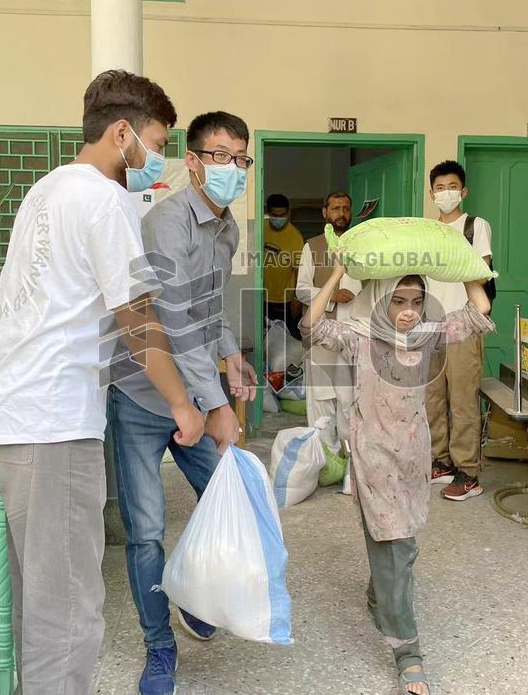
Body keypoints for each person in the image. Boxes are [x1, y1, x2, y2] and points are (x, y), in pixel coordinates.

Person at [0, 70, 206, 695]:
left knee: (39, 602)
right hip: (54, 422)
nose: (158, 160)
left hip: (10, 416)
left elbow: (5, 305)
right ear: (122, 133)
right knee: (70, 615)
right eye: (156, 144)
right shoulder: (107, 199)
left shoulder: (43, 191)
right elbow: (138, 319)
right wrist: (182, 404)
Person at [108, 111, 259, 695]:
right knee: (145, 530)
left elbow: (209, 309)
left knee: (228, 492)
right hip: (143, 397)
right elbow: (170, 318)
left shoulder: (228, 230)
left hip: (193, 390)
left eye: (241, 158)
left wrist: (230, 355)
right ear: (193, 162)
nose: (233, 168)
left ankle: (196, 595)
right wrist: (214, 402)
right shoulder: (167, 223)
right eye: (220, 156)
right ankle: (159, 645)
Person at [302, 256, 494, 695]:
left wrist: (462, 264)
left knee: (397, 546)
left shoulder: (426, 337)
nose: (408, 310)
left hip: (411, 459)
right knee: (396, 548)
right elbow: (310, 327)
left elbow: (478, 312)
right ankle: (408, 654)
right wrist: (335, 275)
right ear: (381, 299)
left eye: (417, 301)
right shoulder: (359, 338)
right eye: (399, 300)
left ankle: (379, 596)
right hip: (372, 459)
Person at [424, 160, 494, 501]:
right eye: (439, 188)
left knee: (463, 399)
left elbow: (482, 272)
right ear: (431, 193)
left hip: (464, 321)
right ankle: (442, 462)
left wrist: (452, 260)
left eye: (451, 187)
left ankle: (468, 472)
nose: (445, 193)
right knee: (432, 398)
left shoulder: (475, 226)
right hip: (430, 323)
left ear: (462, 191)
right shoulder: (426, 230)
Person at [295, 191, 362, 448]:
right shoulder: (312, 246)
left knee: (351, 398)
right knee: (321, 397)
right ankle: (324, 457)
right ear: (325, 212)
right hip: (321, 334)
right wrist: (332, 295)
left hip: (354, 334)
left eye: (345, 208)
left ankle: (350, 464)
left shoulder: (363, 247)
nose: (341, 214)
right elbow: (301, 289)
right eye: (335, 208)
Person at [263, 193, 305, 340]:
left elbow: (301, 270)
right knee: (262, 337)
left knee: (283, 339)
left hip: (284, 299)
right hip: (259, 296)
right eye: (274, 215)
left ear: (288, 213)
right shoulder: (259, 230)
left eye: (282, 215)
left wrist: (297, 298)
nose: (278, 219)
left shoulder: (295, 237)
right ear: (268, 212)